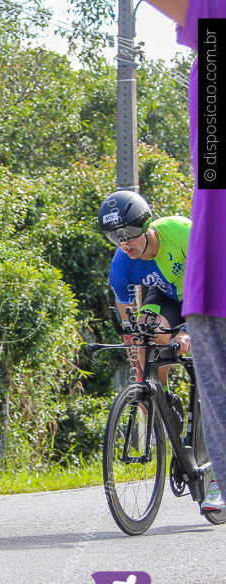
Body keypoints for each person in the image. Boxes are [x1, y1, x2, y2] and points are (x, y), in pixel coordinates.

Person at [144, 0, 226, 512]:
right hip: (199, 289)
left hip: (209, 280)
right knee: (159, 345)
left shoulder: (174, 229)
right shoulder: (124, 261)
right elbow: (136, 314)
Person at [98, 190, 191, 423]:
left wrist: (188, 332)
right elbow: (130, 334)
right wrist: (142, 383)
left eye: (129, 233)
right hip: (168, 296)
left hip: (205, 291)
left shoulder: (181, 232)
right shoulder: (121, 267)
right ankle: (164, 405)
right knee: (144, 332)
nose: (124, 243)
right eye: (115, 237)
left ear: (146, 225)